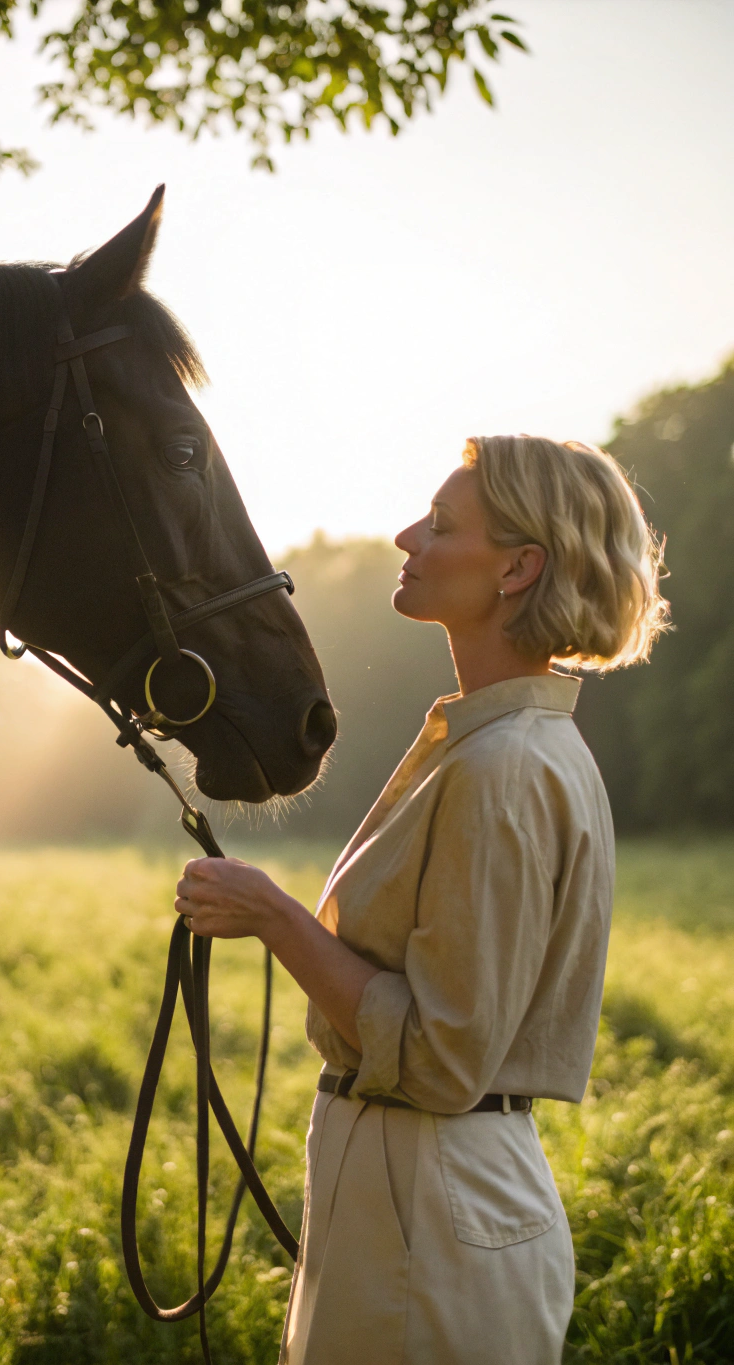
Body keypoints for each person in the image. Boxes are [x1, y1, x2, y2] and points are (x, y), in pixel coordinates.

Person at [174, 435, 668, 1365]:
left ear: (519, 567)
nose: (406, 536)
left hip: (432, 1203)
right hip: (413, 1194)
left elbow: (442, 1056)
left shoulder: (505, 767)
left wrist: (272, 915)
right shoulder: (491, 744)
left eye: (441, 526)